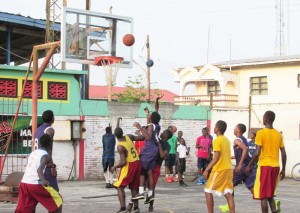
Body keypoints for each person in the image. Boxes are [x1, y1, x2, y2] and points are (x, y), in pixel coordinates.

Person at [245, 111, 287, 213]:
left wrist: (249, 165)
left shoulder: (261, 133)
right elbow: (284, 153)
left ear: (266, 119)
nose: (262, 120)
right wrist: (283, 169)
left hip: (265, 167)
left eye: (263, 118)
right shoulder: (278, 134)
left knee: (263, 196)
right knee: (270, 196)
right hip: (275, 167)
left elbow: (257, 152)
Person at [15, 134, 63, 213]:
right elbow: (39, 170)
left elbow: (36, 166)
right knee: (58, 201)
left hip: (24, 184)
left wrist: (50, 166)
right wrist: (43, 180)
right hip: (35, 185)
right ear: (50, 143)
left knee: (25, 209)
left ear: (40, 143)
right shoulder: (46, 156)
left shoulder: (33, 153)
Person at [132, 96, 163, 203]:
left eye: (149, 116)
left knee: (142, 171)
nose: (148, 116)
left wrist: (140, 128)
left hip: (148, 149)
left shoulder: (150, 126)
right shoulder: (157, 125)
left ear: (150, 119)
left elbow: (148, 137)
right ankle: (150, 194)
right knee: (149, 172)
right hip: (154, 150)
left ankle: (140, 192)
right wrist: (157, 101)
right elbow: (156, 111)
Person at [219, 123, 256, 212]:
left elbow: (245, 150)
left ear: (239, 130)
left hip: (242, 167)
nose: (234, 129)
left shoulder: (237, 140)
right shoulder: (244, 140)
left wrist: (239, 164)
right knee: (253, 189)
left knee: (227, 185)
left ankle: (229, 206)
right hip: (248, 167)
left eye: (235, 127)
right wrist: (230, 157)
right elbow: (242, 153)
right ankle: (271, 200)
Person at [110, 119, 144, 213]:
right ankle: (136, 208)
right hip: (138, 163)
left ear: (115, 136)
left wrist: (115, 167)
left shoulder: (120, 146)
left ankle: (122, 208)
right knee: (134, 187)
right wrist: (142, 130)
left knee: (119, 186)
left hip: (130, 165)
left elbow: (123, 162)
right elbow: (142, 138)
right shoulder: (129, 136)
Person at [203, 120, 235, 213]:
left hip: (220, 169)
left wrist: (207, 170)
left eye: (214, 127)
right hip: (229, 169)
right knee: (228, 193)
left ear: (217, 129)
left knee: (208, 191)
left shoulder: (217, 140)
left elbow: (216, 158)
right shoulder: (227, 140)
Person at [147, 129, 172, 212]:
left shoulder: (167, 145)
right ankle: (133, 204)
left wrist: (159, 144)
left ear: (167, 136)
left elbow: (162, 155)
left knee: (152, 187)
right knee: (138, 184)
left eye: (164, 132)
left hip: (156, 166)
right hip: (148, 164)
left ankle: (151, 206)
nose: (162, 132)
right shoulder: (156, 139)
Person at [34, 110, 58, 191]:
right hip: (45, 163)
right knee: (55, 190)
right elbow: (48, 149)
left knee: (40, 190)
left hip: (36, 161)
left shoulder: (38, 129)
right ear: (52, 118)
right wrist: (52, 166)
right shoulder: (50, 130)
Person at [102, 124, 116, 188]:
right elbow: (114, 143)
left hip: (105, 156)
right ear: (110, 131)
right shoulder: (113, 136)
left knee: (105, 169)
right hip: (111, 156)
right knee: (111, 169)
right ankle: (111, 182)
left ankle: (107, 182)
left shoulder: (103, 137)